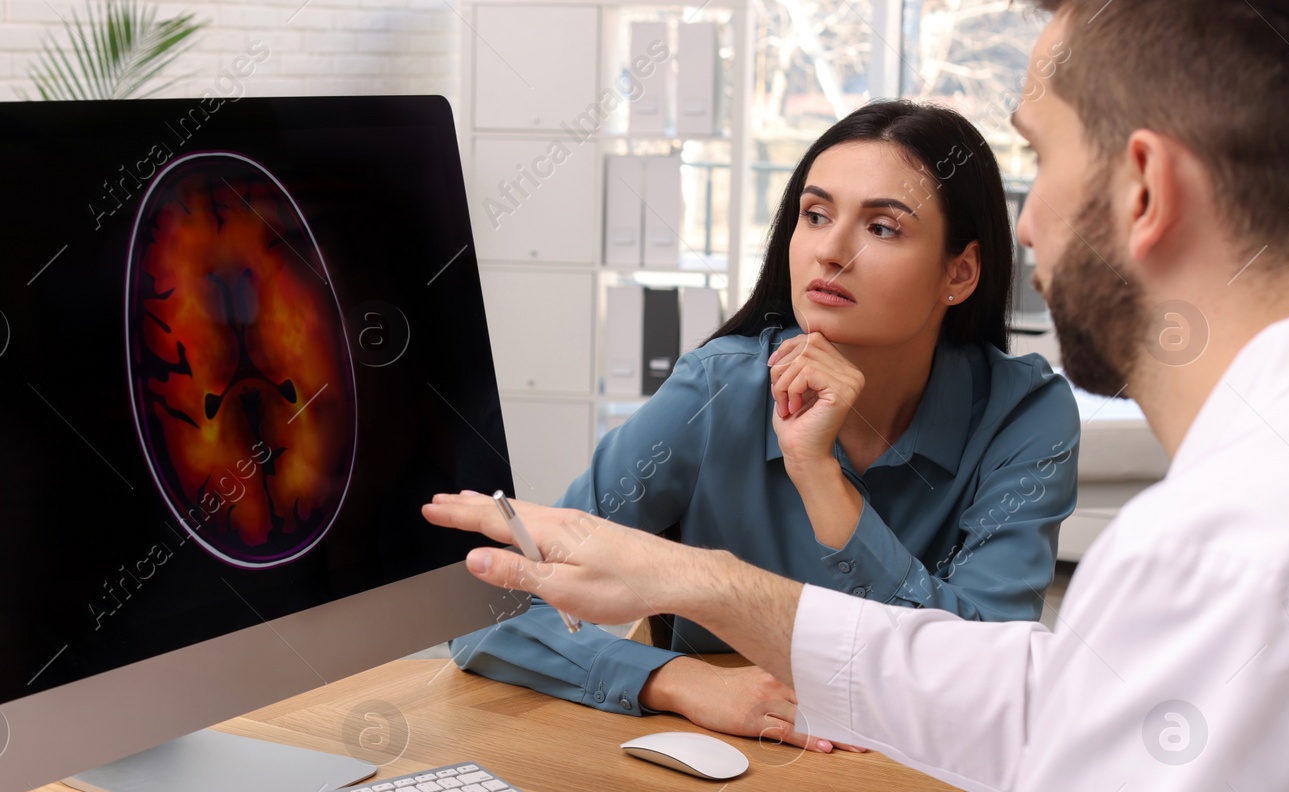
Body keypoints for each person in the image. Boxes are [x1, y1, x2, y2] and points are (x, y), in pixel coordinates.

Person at [422, 0, 1289, 792]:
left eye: (1039, 156)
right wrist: (702, 598)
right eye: (816, 214)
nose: (1030, 221)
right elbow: (1047, 694)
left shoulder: (1223, 549)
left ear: (1144, 186)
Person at [453, 100, 1079, 753]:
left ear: (960, 272)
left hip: (923, 786)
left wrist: (823, 482)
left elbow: (985, 681)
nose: (831, 251)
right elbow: (491, 606)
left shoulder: (1024, 415)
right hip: (737, 774)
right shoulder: (715, 392)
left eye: (884, 228)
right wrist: (675, 678)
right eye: (815, 215)